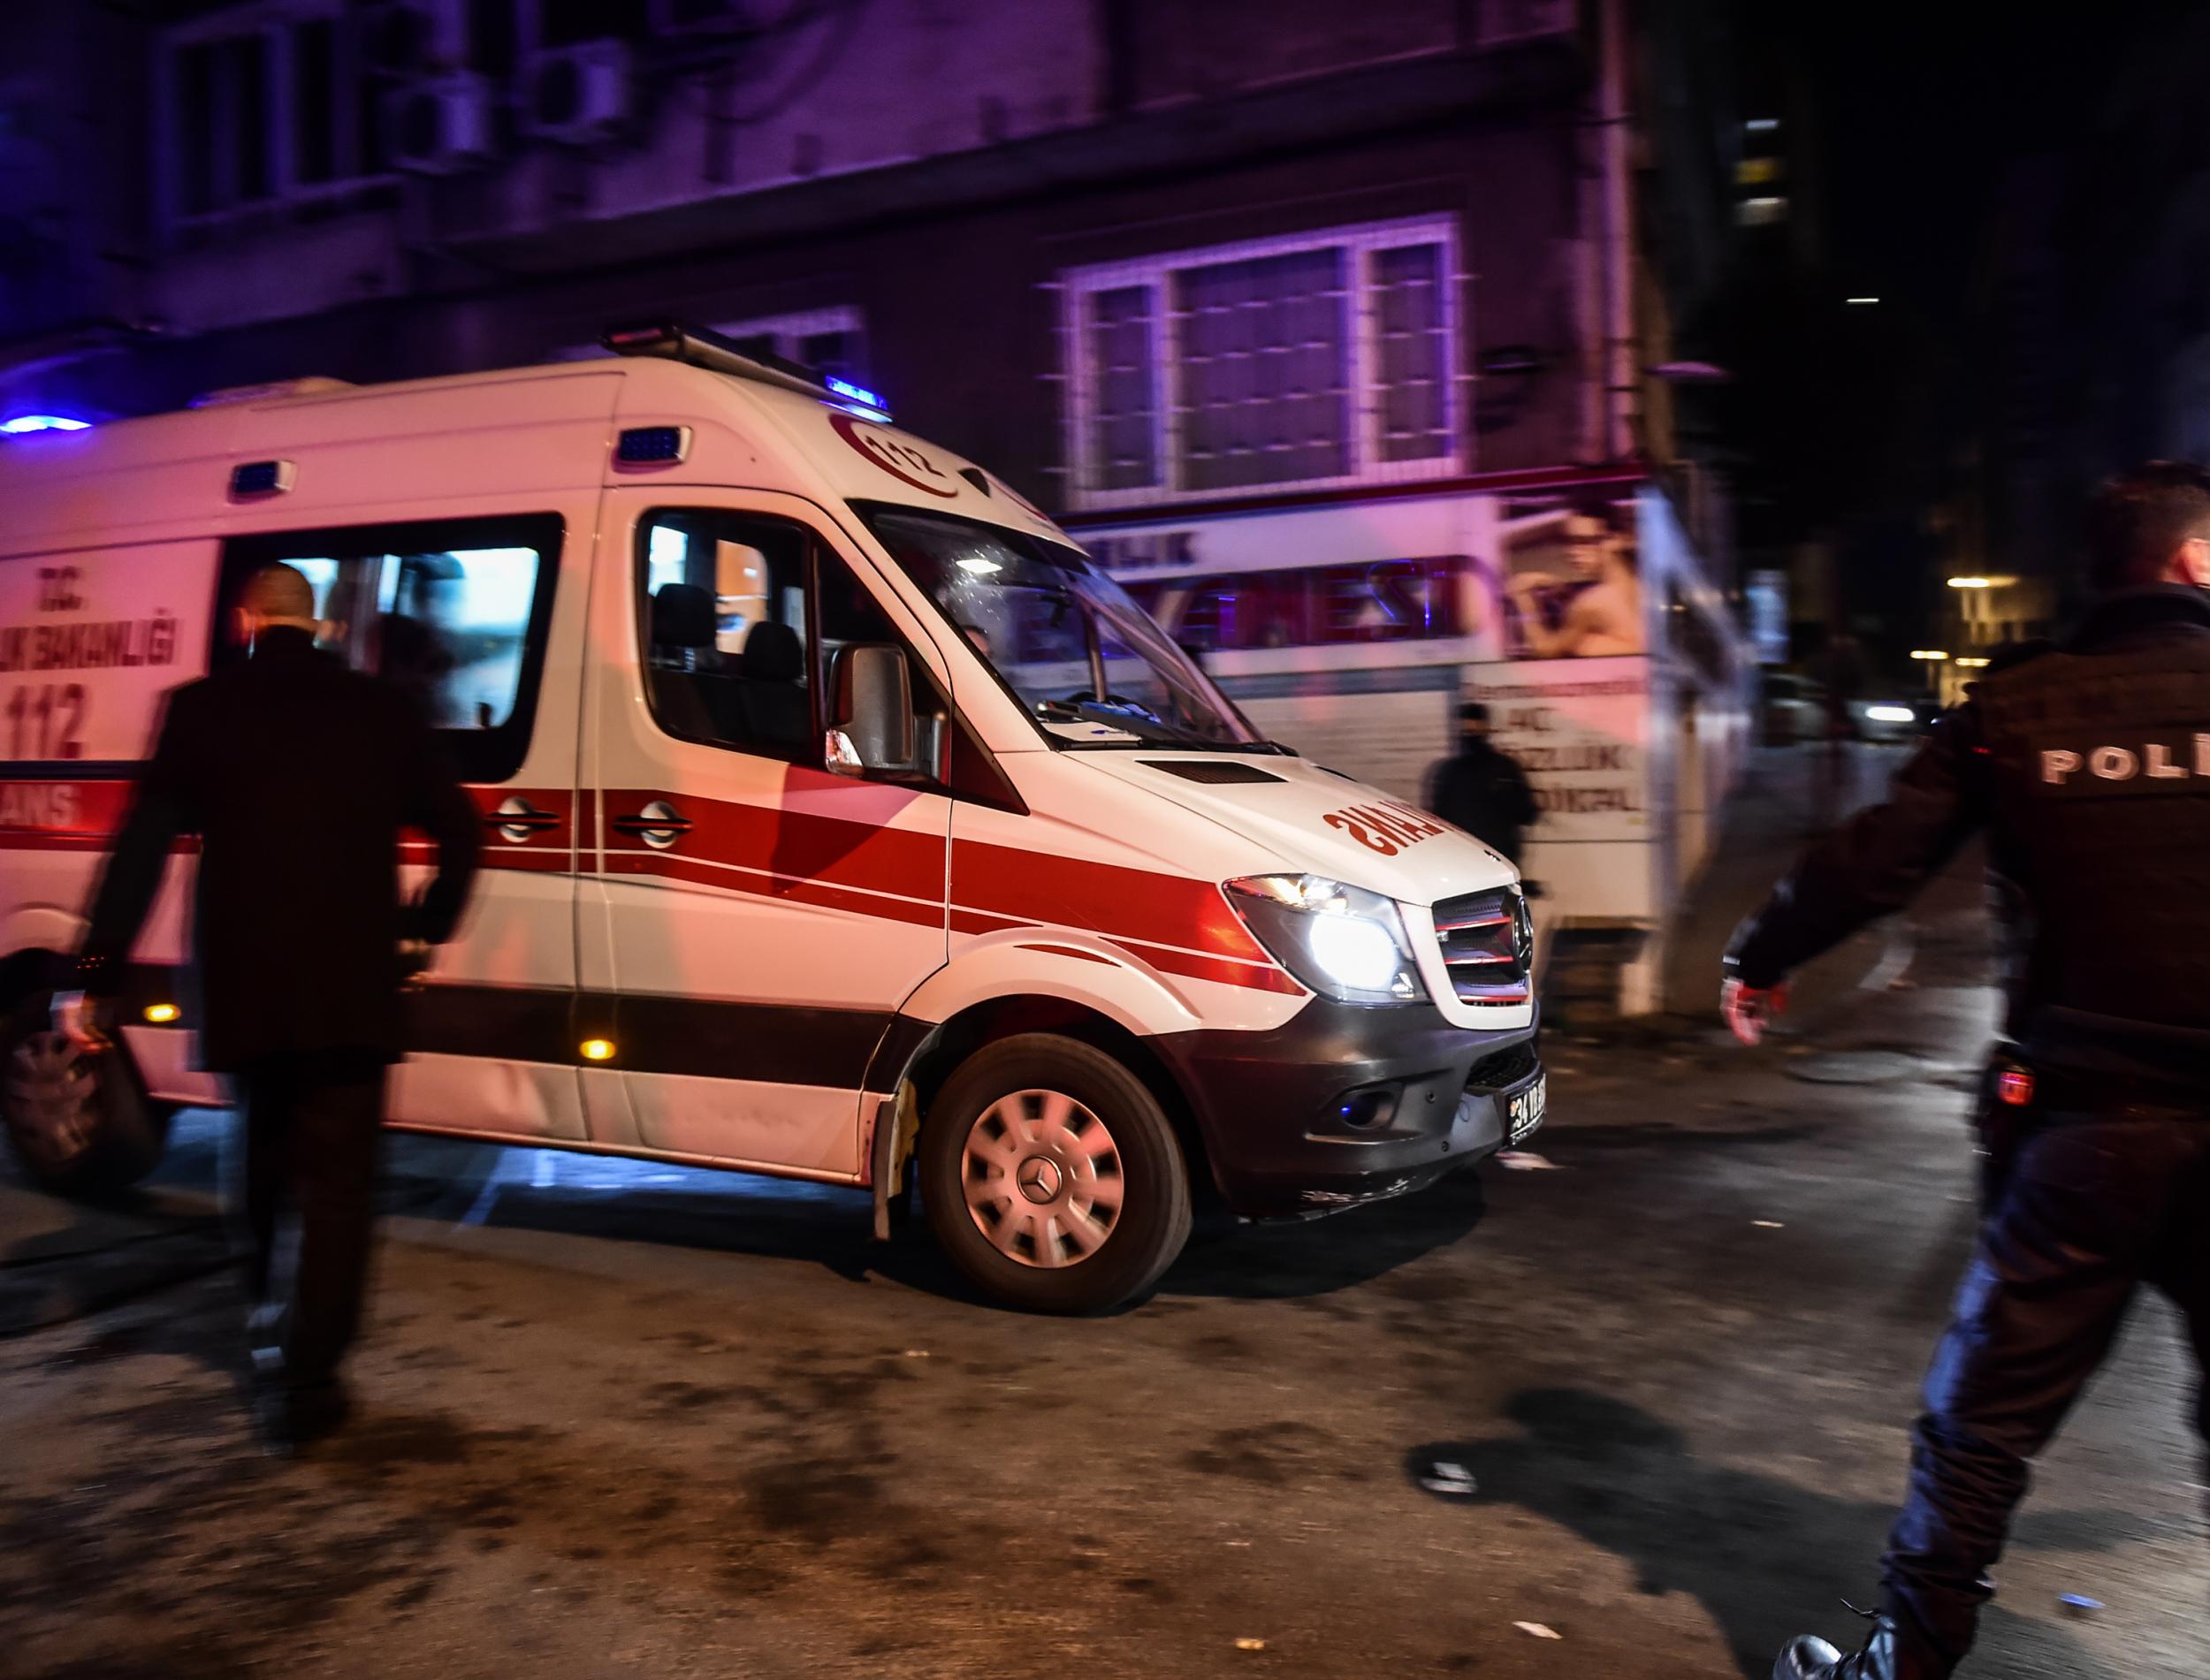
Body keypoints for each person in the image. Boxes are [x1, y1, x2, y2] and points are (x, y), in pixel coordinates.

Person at [1721, 461, 2210, 1679]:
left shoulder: (2019, 706)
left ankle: (1904, 1664)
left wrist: (1762, 953)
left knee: (1983, 1425)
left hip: (2087, 1132)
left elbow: (1876, 858)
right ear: (2195, 563)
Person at [57, 564, 481, 1449]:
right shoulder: (383, 708)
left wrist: (92, 972)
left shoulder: (202, 707)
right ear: (318, 622)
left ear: (248, 617)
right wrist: (421, 927)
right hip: (352, 985)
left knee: (258, 1153)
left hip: (248, 984)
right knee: (338, 1186)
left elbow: (136, 850)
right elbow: (461, 833)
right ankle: (308, 1379)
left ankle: (261, 1314)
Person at [1507, 513, 1644, 658]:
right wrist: (1562, 589)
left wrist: (1523, 599)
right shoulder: (1642, 585)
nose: (1572, 552)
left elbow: (1546, 651)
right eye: (1569, 542)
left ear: (1614, 541)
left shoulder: (1591, 603)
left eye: (1583, 541)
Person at [1427, 701, 1539, 867]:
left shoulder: (1449, 771)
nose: (1470, 735)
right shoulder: (1502, 768)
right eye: (1468, 730)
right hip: (1477, 860)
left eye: (1473, 729)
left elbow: (1527, 814)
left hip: (1480, 860)